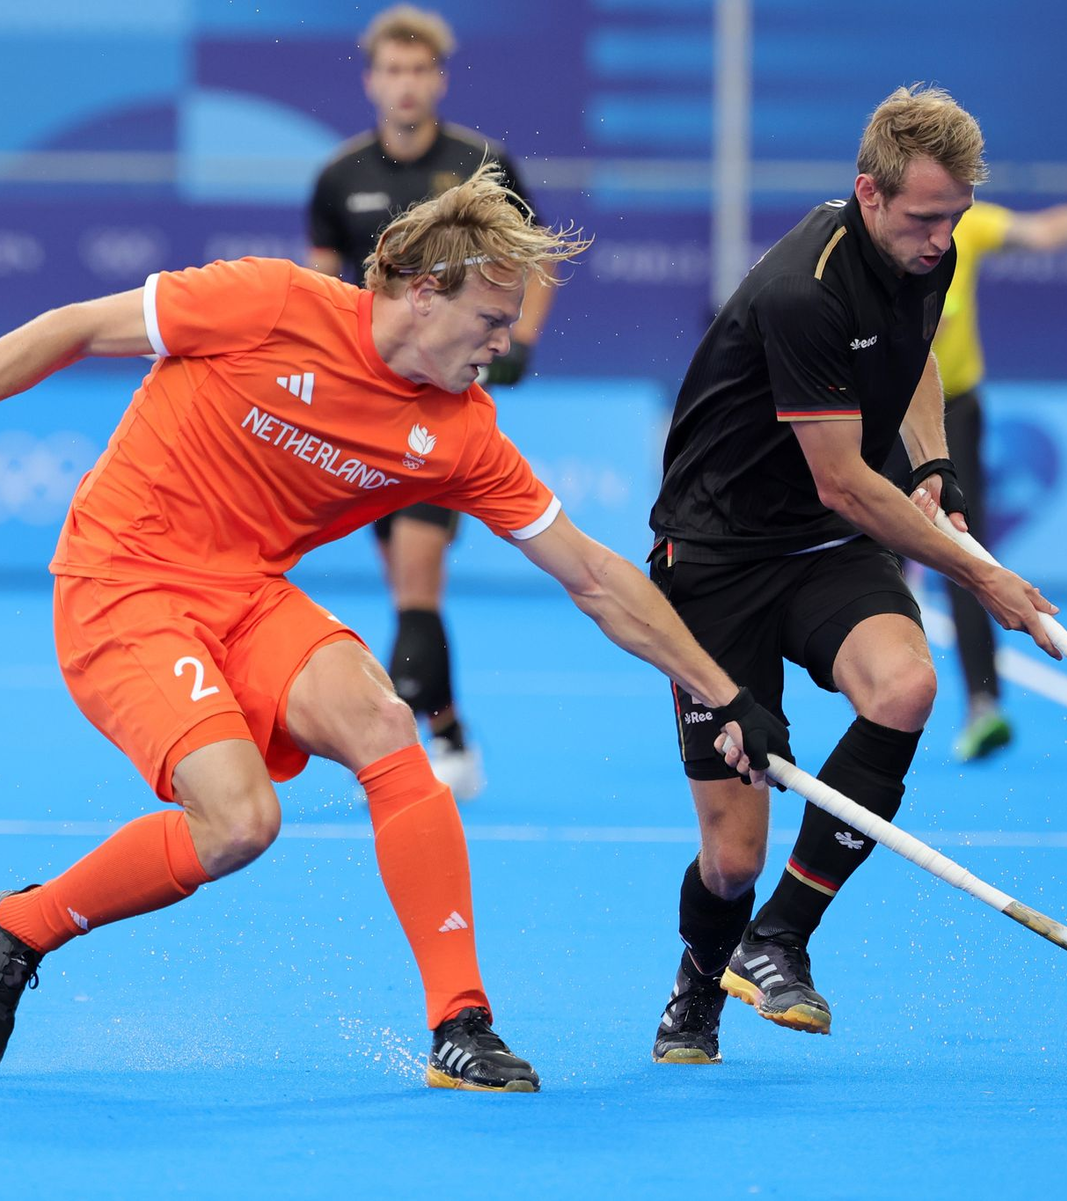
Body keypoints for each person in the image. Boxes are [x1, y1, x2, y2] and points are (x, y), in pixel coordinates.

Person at [0, 165, 788, 1091]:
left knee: (383, 722)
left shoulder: (460, 432)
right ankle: (23, 929)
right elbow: (76, 328)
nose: (504, 343)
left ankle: (461, 1020)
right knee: (241, 822)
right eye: (492, 321)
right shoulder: (268, 301)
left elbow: (594, 574)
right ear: (424, 292)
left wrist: (721, 689)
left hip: (247, 593)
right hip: (123, 581)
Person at [646, 85, 1063, 1066]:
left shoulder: (929, 249)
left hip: (824, 554)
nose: (940, 237)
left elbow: (915, 358)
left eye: (953, 216)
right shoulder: (805, 287)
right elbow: (840, 483)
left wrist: (934, 471)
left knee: (909, 686)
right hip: (718, 560)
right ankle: (699, 984)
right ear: (868, 194)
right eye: (923, 217)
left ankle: (780, 937)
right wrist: (978, 573)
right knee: (733, 854)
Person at [308, 4, 557, 801]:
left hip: (440, 408)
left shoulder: (482, 164)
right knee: (403, 585)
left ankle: (413, 750)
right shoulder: (339, 175)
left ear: (438, 80)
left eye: (421, 71)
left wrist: (517, 344)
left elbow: (538, 262)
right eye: (394, 70)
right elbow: (318, 287)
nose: (407, 84)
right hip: (358, 409)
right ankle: (446, 731)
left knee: (418, 581)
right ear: (373, 80)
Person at [894, 184, 1067, 762]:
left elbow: (1043, 230)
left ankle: (983, 705)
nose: (940, 229)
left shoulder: (974, 225)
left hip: (953, 412)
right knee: (863, 550)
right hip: (879, 412)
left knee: (966, 553)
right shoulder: (879, 241)